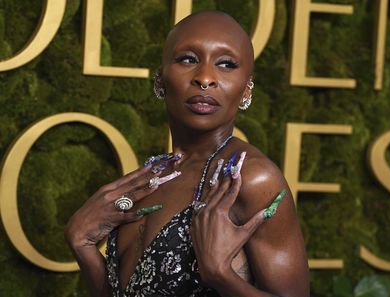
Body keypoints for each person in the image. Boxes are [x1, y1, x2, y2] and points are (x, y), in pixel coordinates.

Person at [65, 10, 309, 297]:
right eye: (188, 59)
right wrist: (82, 245)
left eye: (226, 64)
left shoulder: (248, 178)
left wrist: (222, 276)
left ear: (246, 90)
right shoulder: (155, 173)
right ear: (160, 79)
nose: (205, 78)